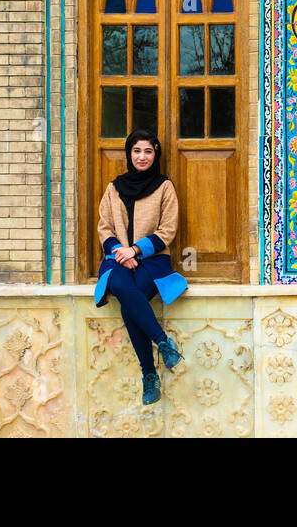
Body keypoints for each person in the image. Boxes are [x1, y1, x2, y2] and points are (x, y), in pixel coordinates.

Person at [94, 129, 189, 405]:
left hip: (153, 259)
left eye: (148, 151)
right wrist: (120, 251)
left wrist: (135, 250)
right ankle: (163, 343)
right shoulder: (114, 188)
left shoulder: (164, 187)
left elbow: (168, 229)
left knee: (128, 301)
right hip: (117, 257)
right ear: (129, 154)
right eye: (137, 151)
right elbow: (104, 226)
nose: (142, 156)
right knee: (121, 284)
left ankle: (149, 375)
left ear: (155, 153)